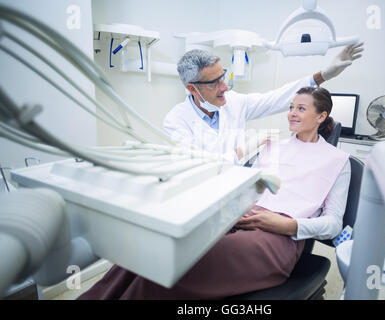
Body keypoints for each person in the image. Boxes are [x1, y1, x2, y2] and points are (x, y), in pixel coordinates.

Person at [77, 86, 350, 300]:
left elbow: (333, 224)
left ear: (321, 116)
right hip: (237, 216)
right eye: (290, 107)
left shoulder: (337, 160)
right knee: (152, 250)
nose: (291, 113)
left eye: (301, 109)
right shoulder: (272, 146)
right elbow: (239, 184)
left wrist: (288, 225)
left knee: (182, 264)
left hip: (278, 236)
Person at [163, 44, 363, 163]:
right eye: (215, 83)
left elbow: (276, 98)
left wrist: (323, 75)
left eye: (223, 77)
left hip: (236, 190)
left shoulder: (233, 102)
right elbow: (196, 168)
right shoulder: (176, 121)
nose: (225, 87)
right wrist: (246, 149)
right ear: (192, 88)